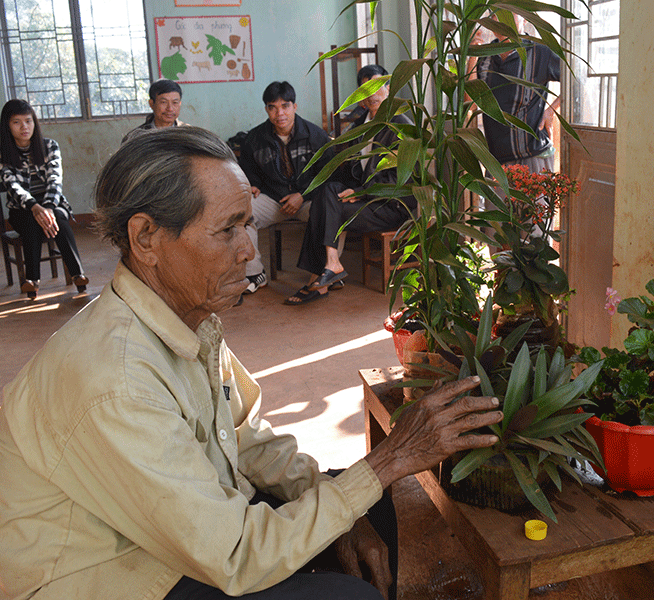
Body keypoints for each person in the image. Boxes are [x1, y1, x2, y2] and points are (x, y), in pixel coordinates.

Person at [0, 127, 502, 600]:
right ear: (146, 237)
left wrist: (348, 502)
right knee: (351, 590)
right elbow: (234, 553)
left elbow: (242, 434)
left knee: (371, 508)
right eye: (227, 230)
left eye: (248, 223)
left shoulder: (189, 318)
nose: (248, 251)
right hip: (117, 572)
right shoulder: (115, 378)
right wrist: (388, 460)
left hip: (181, 530)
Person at [287, 65, 415, 305]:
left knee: (326, 207)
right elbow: (350, 171)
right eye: (365, 89)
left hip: (391, 204)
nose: (372, 94)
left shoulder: (402, 125)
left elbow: (402, 180)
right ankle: (331, 264)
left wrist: (361, 193)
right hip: (366, 201)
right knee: (326, 192)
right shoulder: (360, 126)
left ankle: (319, 279)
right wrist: (349, 189)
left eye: (377, 86)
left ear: (388, 88)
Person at [238, 81, 336, 295]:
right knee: (241, 212)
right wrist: (253, 184)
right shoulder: (254, 138)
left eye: (285, 106)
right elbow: (247, 169)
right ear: (266, 109)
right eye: (272, 107)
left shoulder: (316, 136)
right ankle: (255, 274)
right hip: (274, 200)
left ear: (295, 106)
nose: (279, 113)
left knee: (333, 212)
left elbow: (328, 174)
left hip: (307, 201)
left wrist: (303, 195)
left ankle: (326, 272)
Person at [0, 99, 88, 298]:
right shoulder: (3, 153)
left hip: (53, 202)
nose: (24, 127)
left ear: (34, 122)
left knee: (57, 216)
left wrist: (47, 207)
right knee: (32, 220)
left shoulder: (49, 146)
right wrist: (35, 207)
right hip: (22, 208)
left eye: (28, 121)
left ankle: (77, 275)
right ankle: (33, 280)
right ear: (7, 125)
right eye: (16, 122)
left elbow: (55, 181)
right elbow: (13, 186)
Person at [474, 12, 561, 173]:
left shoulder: (540, 53)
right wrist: (472, 54)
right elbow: (471, 104)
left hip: (533, 155)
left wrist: (551, 110)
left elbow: (575, 80)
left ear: (524, 18)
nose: (502, 18)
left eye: (510, 12)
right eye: (496, 13)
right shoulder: (484, 58)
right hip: (496, 161)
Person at [121, 79, 188, 144]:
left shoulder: (188, 134)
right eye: (164, 102)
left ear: (180, 104)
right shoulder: (135, 138)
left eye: (175, 102)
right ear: (151, 104)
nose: (170, 109)